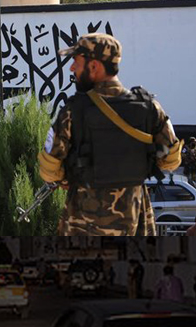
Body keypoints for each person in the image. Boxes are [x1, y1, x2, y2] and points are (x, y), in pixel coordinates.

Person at [37, 33, 183, 235]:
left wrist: (66, 180)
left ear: (94, 66)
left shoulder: (72, 112)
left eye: (76, 62)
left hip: (82, 220)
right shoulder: (150, 108)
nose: (72, 68)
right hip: (135, 218)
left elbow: (49, 169)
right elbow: (171, 161)